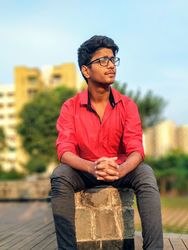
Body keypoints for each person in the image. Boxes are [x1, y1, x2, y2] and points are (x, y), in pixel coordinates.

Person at [50, 35, 163, 250]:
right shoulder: (70, 107)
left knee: (146, 173)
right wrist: (91, 167)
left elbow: (136, 149)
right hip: (85, 171)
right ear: (85, 70)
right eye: (102, 61)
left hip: (121, 170)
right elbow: (64, 150)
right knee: (60, 175)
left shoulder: (127, 105)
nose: (111, 65)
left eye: (113, 60)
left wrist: (120, 170)